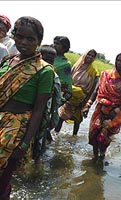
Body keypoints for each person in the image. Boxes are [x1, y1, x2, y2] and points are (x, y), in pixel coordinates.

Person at [0, 16, 54, 199]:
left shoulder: (44, 71)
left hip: (15, 130)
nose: (24, 42)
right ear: (14, 36)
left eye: (30, 39)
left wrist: (24, 145)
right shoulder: (7, 61)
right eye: (20, 36)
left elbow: (38, 110)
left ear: (39, 42)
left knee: (3, 179)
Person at [85, 52, 121, 162]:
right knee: (94, 133)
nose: (119, 63)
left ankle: (102, 155)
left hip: (116, 112)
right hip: (101, 109)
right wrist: (88, 105)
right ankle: (95, 157)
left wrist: (117, 109)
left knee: (103, 137)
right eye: (118, 60)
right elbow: (97, 90)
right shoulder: (106, 75)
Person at [54, 49, 99, 135]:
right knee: (61, 117)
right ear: (85, 54)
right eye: (89, 54)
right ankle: (55, 134)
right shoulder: (76, 66)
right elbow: (68, 80)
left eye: (92, 56)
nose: (90, 57)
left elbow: (92, 89)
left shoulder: (94, 72)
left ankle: (74, 138)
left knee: (77, 120)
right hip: (70, 96)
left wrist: (85, 102)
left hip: (81, 98)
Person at [53, 36, 72, 100]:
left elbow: (66, 88)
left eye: (57, 44)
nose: (54, 45)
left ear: (64, 47)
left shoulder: (65, 64)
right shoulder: (48, 56)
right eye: (54, 43)